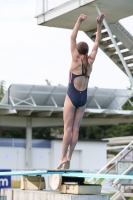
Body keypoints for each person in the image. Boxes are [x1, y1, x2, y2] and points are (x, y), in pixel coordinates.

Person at [55, 13, 105, 170]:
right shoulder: (90, 61)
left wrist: (79, 20)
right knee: (75, 129)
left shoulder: (75, 60)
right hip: (83, 98)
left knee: (67, 129)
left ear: (78, 51)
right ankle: (70, 155)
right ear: (87, 51)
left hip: (72, 96)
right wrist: (99, 24)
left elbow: (72, 37)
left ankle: (62, 158)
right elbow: (97, 41)